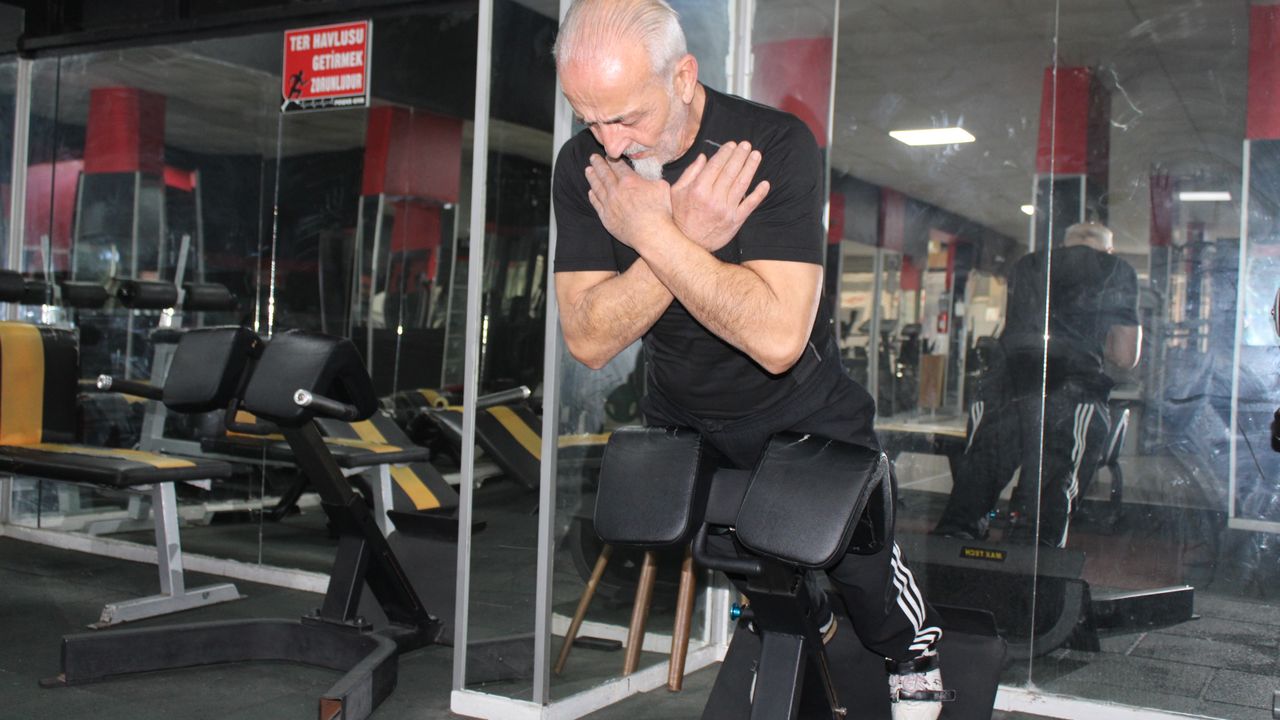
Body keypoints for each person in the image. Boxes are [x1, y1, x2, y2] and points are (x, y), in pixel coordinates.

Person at [550, 1, 945, 715]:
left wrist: (655, 233)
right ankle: (804, 627)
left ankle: (909, 647)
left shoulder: (771, 146)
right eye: (588, 118)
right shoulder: (585, 166)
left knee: (860, 562)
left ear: (682, 77)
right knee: (746, 563)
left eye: (626, 117)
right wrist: (685, 235)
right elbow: (588, 338)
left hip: (801, 404)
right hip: (684, 409)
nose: (608, 144)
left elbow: (776, 339)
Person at [933, 221, 1141, 547]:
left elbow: (1017, 331)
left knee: (978, 477)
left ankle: (954, 550)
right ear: (1109, 249)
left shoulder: (1029, 263)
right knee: (1051, 488)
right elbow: (1126, 356)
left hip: (1008, 383)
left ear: (1064, 243)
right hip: (1072, 387)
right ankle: (1033, 550)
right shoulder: (1117, 268)